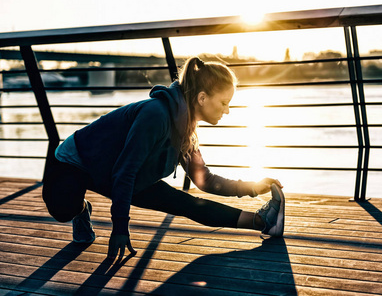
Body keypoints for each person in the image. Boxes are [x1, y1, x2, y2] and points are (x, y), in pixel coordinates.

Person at [42, 57, 285, 260]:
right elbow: (124, 173)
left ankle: (262, 222)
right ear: (202, 98)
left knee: (186, 204)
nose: (227, 110)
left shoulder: (186, 129)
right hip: (78, 161)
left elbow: (205, 181)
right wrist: (119, 228)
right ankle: (81, 209)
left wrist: (253, 187)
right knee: (62, 210)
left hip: (122, 172)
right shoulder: (155, 116)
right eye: (223, 102)